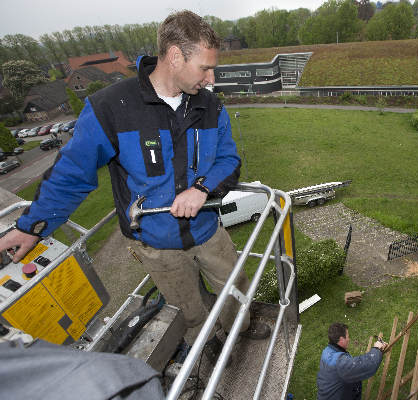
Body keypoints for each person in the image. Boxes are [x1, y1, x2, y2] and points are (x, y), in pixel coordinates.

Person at [0, 10, 269, 363]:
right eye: (205, 67)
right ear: (175, 56)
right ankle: (211, 345)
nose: (211, 77)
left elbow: (229, 160)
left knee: (235, 290)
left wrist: (201, 188)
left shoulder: (210, 106)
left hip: (208, 230)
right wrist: (31, 227)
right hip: (157, 246)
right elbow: (73, 174)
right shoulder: (111, 108)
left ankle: (240, 327)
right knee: (188, 310)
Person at [316, 322, 387, 400]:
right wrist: (377, 349)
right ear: (341, 339)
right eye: (347, 337)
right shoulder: (340, 364)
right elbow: (368, 365)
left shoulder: (327, 351)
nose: (349, 339)